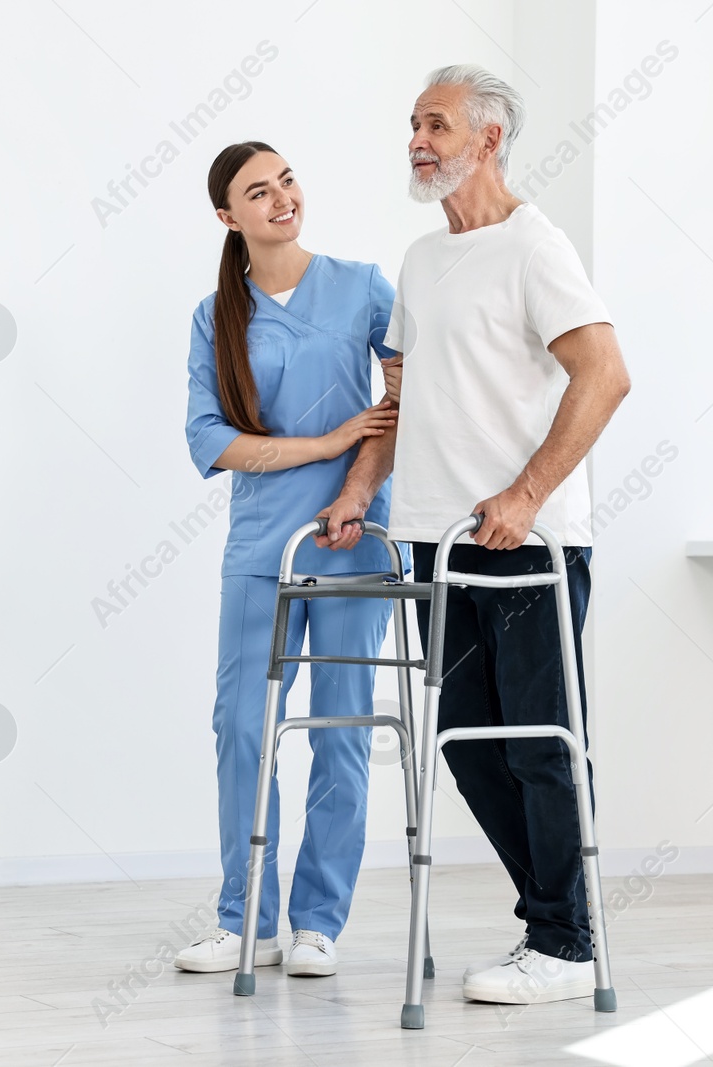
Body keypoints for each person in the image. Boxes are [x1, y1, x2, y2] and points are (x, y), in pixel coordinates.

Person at [319, 65, 632, 1005]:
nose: (418, 139)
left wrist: (527, 495)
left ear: (489, 139)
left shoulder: (536, 247)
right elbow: (404, 398)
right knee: (461, 739)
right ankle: (551, 921)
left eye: (437, 124)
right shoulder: (421, 259)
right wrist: (358, 487)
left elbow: (605, 374)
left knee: (541, 742)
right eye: (413, 123)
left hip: (526, 545)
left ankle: (566, 944)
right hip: (438, 544)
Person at [177, 141, 399, 979]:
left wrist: (354, 476)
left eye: (288, 181)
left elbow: (409, 393)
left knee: (341, 728)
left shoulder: (364, 286)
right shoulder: (216, 315)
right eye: (259, 192)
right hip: (262, 543)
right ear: (230, 217)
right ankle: (246, 919)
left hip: (351, 539)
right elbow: (209, 439)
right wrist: (330, 439)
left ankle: (317, 922)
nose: (282, 200)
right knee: (242, 726)